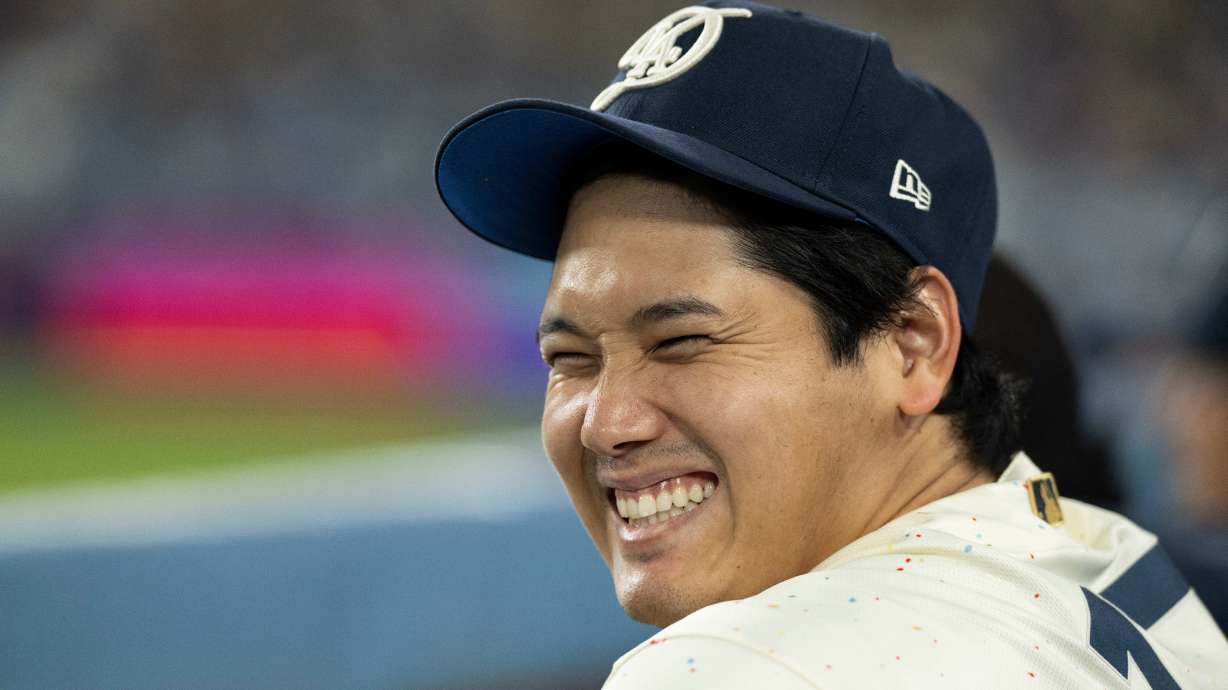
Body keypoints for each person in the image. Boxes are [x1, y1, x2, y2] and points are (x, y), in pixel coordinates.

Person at [434, 2, 1228, 686]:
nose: (606, 424)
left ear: (913, 344)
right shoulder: (1116, 564)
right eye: (570, 359)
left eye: (681, 341)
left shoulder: (742, 666)